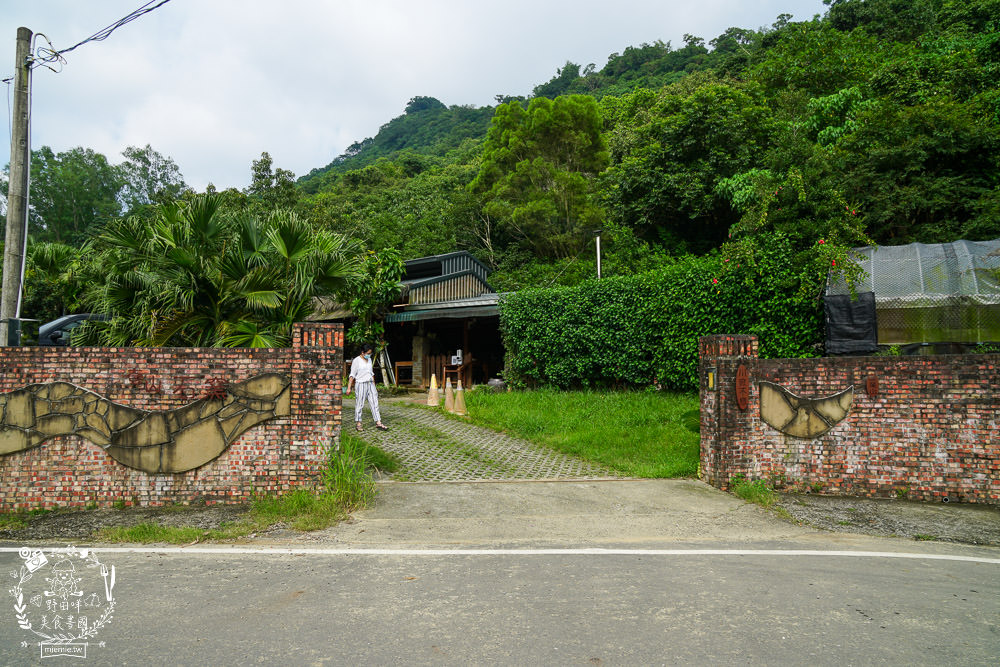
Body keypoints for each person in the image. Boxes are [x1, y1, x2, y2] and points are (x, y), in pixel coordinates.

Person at [346, 343, 388, 432]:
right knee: (360, 404)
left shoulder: (369, 360)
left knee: (375, 402)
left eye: (370, 353)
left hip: (370, 383)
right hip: (361, 384)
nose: (369, 355)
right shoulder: (356, 361)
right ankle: (358, 423)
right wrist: (349, 387)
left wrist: (374, 385)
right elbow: (352, 375)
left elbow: (371, 373)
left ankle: (378, 422)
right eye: (368, 353)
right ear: (362, 352)